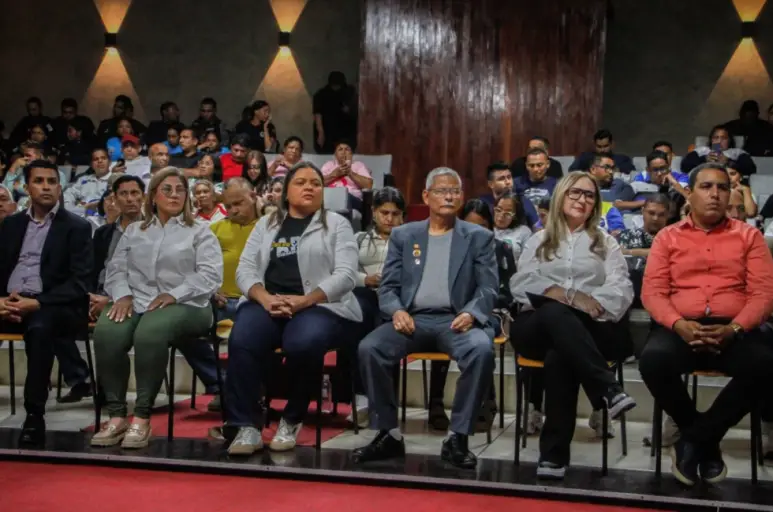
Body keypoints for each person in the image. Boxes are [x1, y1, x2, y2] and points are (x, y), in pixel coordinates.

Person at [353, 167, 497, 469]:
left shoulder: (478, 237)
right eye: (442, 190)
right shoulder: (405, 235)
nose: (449, 196)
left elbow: (488, 287)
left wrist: (472, 312)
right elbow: (389, 287)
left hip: (456, 321)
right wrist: (397, 310)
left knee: (481, 349)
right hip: (412, 320)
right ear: (425, 196)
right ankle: (388, 433)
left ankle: (458, 436)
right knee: (370, 348)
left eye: (455, 191)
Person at [640, 162, 773, 486]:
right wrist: (679, 324)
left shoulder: (749, 236)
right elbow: (653, 292)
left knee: (766, 363)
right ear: (690, 193)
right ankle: (706, 442)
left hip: (734, 330)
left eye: (722, 187)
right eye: (706, 187)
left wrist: (735, 329)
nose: (715, 194)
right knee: (653, 360)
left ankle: (693, 440)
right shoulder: (668, 237)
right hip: (681, 328)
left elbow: (764, 294)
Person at [225, 161, 362, 455]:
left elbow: (347, 275)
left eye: (315, 183)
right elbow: (245, 270)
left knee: (304, 343)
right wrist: (264, 298)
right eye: (301, 182)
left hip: (321, 304)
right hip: (269, 302)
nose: (310, 187)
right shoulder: (267, 223)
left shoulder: (337, 224)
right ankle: (246, 425)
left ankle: (292, 417)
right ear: (286, 191)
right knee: (243, 339)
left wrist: (305, 300)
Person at [509, 171, 636, 480]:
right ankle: (606, 388)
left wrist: (584, 305)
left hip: (589, 328)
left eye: (590, 195)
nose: (582, 199)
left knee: (560, 354)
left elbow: (622, 289)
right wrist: (569, 296)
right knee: (554, 312)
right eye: (575, 193)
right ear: (562, 197)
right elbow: (521, 283)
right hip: (536, 327)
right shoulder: (538, 240)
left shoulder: (605, 242)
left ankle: (553, 455)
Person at [91, 167, 223, 449]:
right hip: (137, 300)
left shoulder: (200, 231)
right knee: (107, 331)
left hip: (191, 304)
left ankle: (142, 416)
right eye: (167, 189)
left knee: (150, 332)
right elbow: (116, 269)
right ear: (153, 196)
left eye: (180, 190)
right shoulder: (135, 230)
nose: (174, 194)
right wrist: (122, 295)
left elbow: (210, 276)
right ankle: (116, 416)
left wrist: (174, 294)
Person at [0, 160, 93, 445]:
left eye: (52, 181)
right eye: (39, 181)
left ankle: (34, 415)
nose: (46, 187)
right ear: (27, 187)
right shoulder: (11, 224)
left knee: (40, 331)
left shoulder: (77, 227)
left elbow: (80, 283)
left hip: (52, 306)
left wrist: (38, 303)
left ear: (60, 186)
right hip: (9, 300)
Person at [427, 198, 516, 433]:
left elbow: (507, 292)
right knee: (441, 327)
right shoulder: (445, 248)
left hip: (489, 313)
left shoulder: (500, 249)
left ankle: (487, 403)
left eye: (481, 227)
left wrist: (475, 310)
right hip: (450, 312)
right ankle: (435, 405)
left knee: (481, 336)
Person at [350, 187, 406, 426]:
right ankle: (362, 398)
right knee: (363, 307)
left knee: (385, 312)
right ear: (374, 213)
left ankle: (383, 402)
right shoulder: (359, 239)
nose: (389, 219)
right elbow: (342, 272)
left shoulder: (410, 242)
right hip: (366, 295)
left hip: (396, 300)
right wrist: (366, 279)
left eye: (395, 214)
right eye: (384, 213)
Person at [211, 178, 260, 322]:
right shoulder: (214, 229)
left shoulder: (268, 225)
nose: (234, 211)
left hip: (256, 302)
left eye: (238, 203)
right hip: (221, 303)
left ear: (253, 196)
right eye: (228, 206)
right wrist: (211, 292)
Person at [681, 125, 756, 178]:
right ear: (712, 140)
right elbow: (684, 166)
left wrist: (728, 162)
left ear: (729, 140)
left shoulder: (737, 152)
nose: (719, 141)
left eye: (724, 138)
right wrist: (704, 159)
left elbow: (750, 169)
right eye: (716, 138)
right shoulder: (702, 150)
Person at [321, 140, 373, 211]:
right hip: (331, 197)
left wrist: (350, 173)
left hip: (353, 198)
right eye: (340, 149)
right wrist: (334, 175)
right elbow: (318, 183)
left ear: (351, 154)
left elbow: (368, 185)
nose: (343, 152)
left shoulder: (358, 165)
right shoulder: (328, 165)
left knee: (344, 197)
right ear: (335, 154)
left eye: (347, 149)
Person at [313, 71, 357, 153]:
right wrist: (321, 133)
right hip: (328, 131)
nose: (336, 88)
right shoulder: (322, 95)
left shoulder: (348, 92)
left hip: (346, 132)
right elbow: (318, 114)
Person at [64, 148, 114, 218]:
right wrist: (71, 207)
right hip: (80, 216)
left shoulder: (116, 180)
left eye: (103, 158)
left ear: (110, 162)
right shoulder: (83, 179)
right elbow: (69, 193)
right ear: (91, 165)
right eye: (96, 159)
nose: (100, 161)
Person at [515, 149, 557, 227]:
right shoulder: (516, 184)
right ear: (526, 165)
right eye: (531, 165)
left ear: (547, 164)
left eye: (539, 165)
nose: (535, 169)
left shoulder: (557, 185)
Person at [569, 129, 635, 175]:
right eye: (599, 147)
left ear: (612, 144)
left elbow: (632, 173)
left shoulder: (622, 159)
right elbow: (572, 171)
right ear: (594, 145)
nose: (602, 150)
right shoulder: (585, 158)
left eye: (606, 146)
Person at [493, 192, 532, 262]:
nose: (501, 215)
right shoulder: (487, 228)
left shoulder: (523, 231)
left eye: (508, 213)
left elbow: (528, 261)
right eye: (498, 210)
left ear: (515, 215)